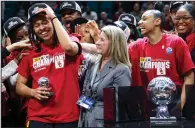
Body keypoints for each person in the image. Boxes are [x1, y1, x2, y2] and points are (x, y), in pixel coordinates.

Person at [16, 3, 82, 128]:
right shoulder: (30, 52)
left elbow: (69, 48)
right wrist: (33, 92)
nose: (42, 28)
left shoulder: (71, 40)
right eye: (37, 25)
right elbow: (19, 85)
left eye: (45, 22)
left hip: (68, 116)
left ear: (53, 22)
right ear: (32, 29)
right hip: (38, 117)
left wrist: (53, 17)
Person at [128, 10, 194, 110]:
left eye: (144, 19)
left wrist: (180, 105)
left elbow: (189, 76)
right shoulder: (136, 46)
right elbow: (115, 51)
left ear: (157, 21)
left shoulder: (176, 42)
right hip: (144, 111)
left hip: (172, 108)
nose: (139, 22)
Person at [78, 25, 131, 127]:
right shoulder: (92, 63)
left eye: (102, 40)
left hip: (104, 124)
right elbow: (85, 93)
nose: (97, 42)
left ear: (114, 43)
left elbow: (117, 107)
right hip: (85, 120)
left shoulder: (121, 70)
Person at [175, 3, 195, 119]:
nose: (180, 21)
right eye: (177, 18)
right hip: (178, 99)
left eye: (185, 18)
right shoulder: (174, 42)